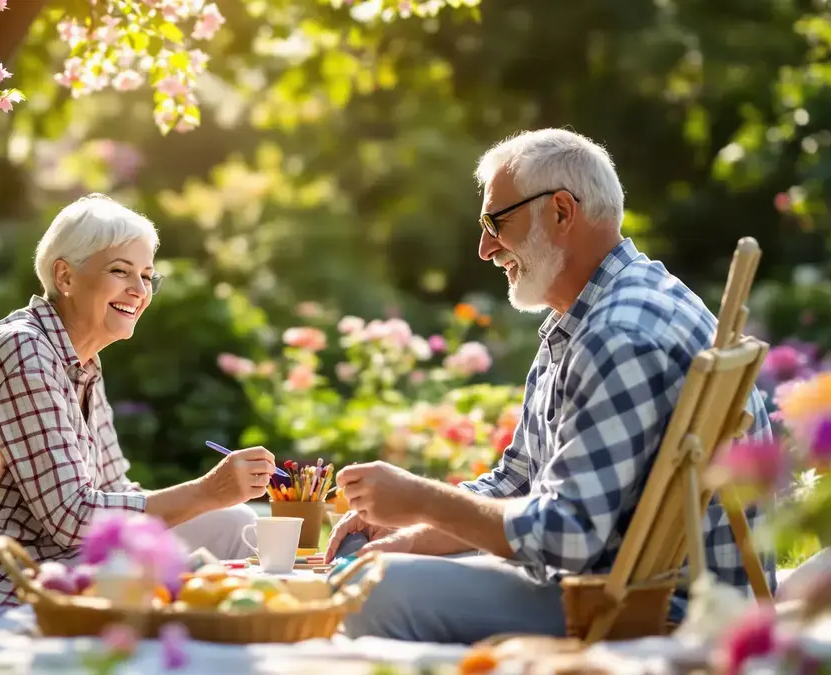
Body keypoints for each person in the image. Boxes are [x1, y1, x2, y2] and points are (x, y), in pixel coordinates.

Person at [325, 129, 776, 644]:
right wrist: (408, 534)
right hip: (617, 585)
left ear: (561, 212)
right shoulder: (599, 312)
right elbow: (518, 482)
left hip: (647, 610)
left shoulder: (618, 334)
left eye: (496, 222)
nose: (485, 248)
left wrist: (423, 499)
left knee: (369, 590)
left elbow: (566, 536)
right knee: (372, 565)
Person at [0, 194, 273, 605]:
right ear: (66, 277)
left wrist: (209, 500)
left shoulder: (83, 362)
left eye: (147, 276)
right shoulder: (21, 348)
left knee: (237, 522)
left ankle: (251, 628)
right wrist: (206, 491)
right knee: (171, 568)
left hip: (50, 558)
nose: (139, 290)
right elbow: (73, 518)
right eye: (120, 271)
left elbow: (114, 489)